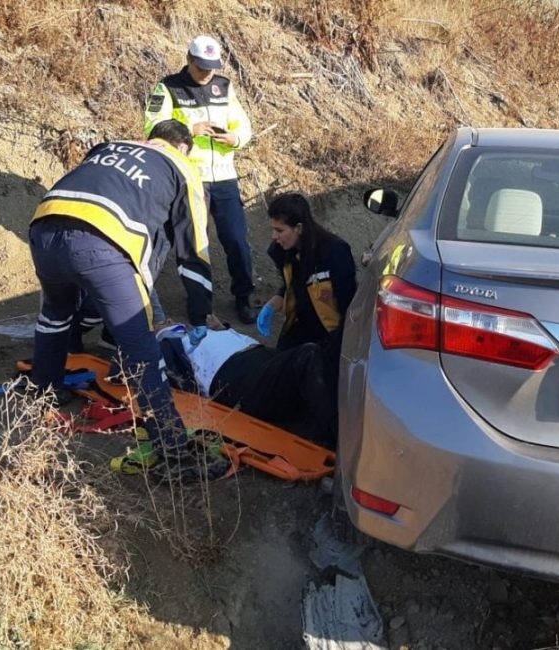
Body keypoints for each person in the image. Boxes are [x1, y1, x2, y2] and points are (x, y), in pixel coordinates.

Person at [28, 119, 226, 481]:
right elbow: (194, 246)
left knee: (54, 315)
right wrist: (201, 313)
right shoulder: (183, 167)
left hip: (45, 224)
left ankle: (44, 392)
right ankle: (173, 448)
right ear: (183, 148)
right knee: (140, 344)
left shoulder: (110, 145)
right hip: (102, 241)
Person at [144, 34, 257, 325]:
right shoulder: (168, 88)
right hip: (188, 179)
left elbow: (243, 126)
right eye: (202, 66)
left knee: (236, 240)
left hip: (225, 177)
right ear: (189, 59)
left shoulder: (224, 87)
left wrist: (235, 139)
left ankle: (243, 296)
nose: (208, 73)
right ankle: (201, 306)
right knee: (194, 244)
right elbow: (153, 129)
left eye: (213, 67)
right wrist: (190, 129)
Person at [158, 319, 337, 449]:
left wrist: (223, 328)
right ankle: (335, 437)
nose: (166, 319)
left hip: (261, 358)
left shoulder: (202, 331)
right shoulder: (172, 346)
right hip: (237, 375)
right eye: (161, 322)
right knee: (309, 355)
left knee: (331, 347)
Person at [258, 193, 357, 359]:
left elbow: (348, 304)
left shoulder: (335, 252)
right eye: (273, 229)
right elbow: (293, 284)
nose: (274, 237)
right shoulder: (281, 251)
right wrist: (276, 300)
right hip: (300, 324)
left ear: (299, 228)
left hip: (330, 330)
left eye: (280, 230)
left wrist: (339, 346)